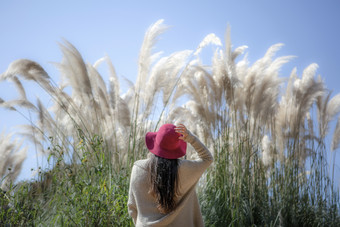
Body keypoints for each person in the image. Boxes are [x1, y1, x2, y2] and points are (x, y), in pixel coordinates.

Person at [127, 123, 213, 226]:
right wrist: (190, 138)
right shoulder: (185, 169)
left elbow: (132, 207)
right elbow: (208, 158)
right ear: (176, 147)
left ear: (155, 143)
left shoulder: (138, 169)